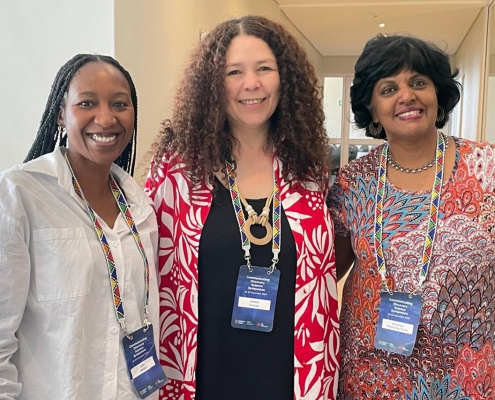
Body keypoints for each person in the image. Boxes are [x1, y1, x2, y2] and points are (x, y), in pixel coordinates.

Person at [145, 15, 339, 400]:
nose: (251, 84)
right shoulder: (176, 170)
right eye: (234, 72)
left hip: (291, 372)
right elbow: (150, 274)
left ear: (286, 78)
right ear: (213, 85)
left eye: (264, 68)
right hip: (203, 373)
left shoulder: (308, 171)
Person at [327, 34, 495, 399]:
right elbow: (326, 274)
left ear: (439, 94)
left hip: (468, 376)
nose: (407, 96)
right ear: (371, 108)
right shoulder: (353, 183)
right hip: (371, 376)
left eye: (419, 82)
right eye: (388, 89)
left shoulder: (487, 168)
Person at [0, 54, 163, 399]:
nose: (105, 118)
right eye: (87, 103)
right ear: (61, 113)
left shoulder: (141, 208)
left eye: (120, 104)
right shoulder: (20, 196)